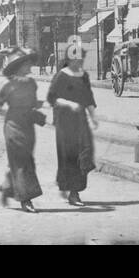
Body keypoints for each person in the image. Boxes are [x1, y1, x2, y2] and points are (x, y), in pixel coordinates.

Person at [0, 47, 44, 213]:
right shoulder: (6, 84)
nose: (30, 66)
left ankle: (7, 188)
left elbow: (32, 102)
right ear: (18, 66)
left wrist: (38, 104)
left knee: (23, 160)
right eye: (27, 64)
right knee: (23, 161)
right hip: (13, 126)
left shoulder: (32, 83)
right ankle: (26, 199)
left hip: (28, 125)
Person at [47, 47, 98, 206]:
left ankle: (68, 184)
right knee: (69, 155)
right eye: (76, 59)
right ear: (69, 60)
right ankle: (73, 193)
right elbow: (52, 98)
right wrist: (70, 104)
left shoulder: (84, 76)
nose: (79, 61)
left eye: (81, 59)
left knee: (85, 151)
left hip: (80, 119)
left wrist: (93, 117)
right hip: (65, 121)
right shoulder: (61, 76)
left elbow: (89, 98)